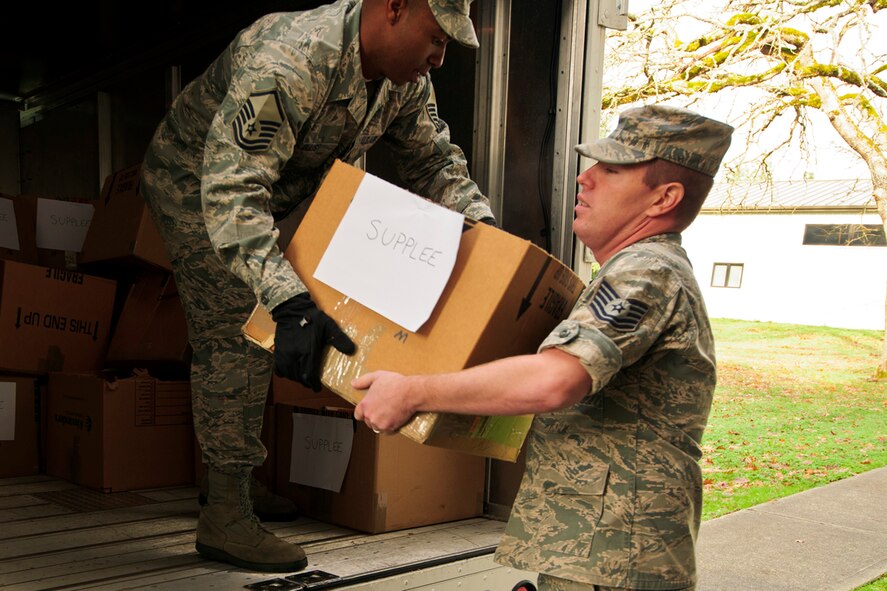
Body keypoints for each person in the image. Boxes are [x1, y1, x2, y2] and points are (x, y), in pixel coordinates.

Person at [138, 0, 495, 574]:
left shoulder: (404, 79)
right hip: (195, 185)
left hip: (275, 191)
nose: (440, 57)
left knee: (284, 315)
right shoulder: (289, 59)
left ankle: (231, 484)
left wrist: (489, 237)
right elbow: (230, 193)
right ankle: (225, 514)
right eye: (436, 38)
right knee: (240, 328)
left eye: (449, 45)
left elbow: (433, 162)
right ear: (394, 9)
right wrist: (287, 299)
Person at [352, 104, 734, 591]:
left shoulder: (647, 271)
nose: (585, 179)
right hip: (602, 548)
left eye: (611, 171)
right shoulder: (639, 270)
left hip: (611, 553)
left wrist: (412, 393)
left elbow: (556, 379)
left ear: (664, 199)